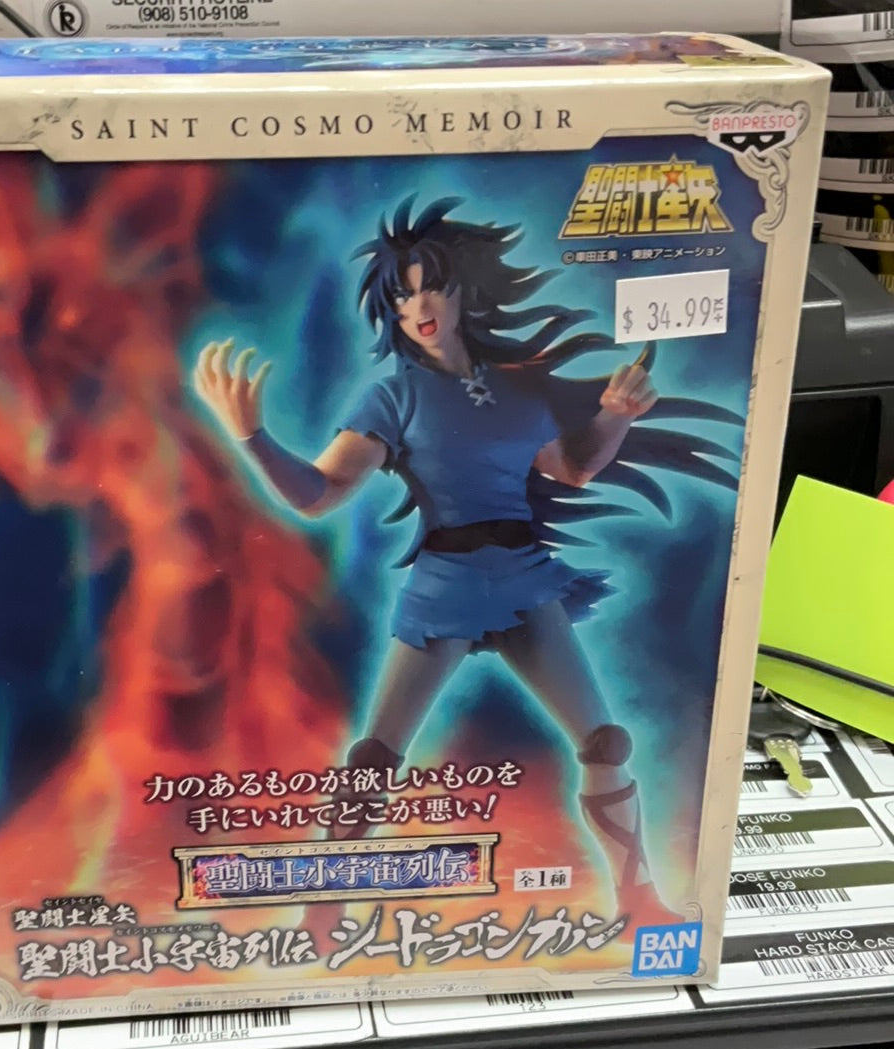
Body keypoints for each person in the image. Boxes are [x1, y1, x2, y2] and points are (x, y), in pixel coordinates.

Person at [194, 196, 679, 924]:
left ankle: (639, 902)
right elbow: (319, 493)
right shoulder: (395, 396)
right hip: (446, 585)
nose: (418, 306)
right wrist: (252, 438)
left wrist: (615, 412)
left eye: (431, 288)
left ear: (460, 293)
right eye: (403, 295)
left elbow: (573, 468)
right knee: (376, 758)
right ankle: (320, 918)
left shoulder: (516, 389)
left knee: (605, 742)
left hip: (524, 577)